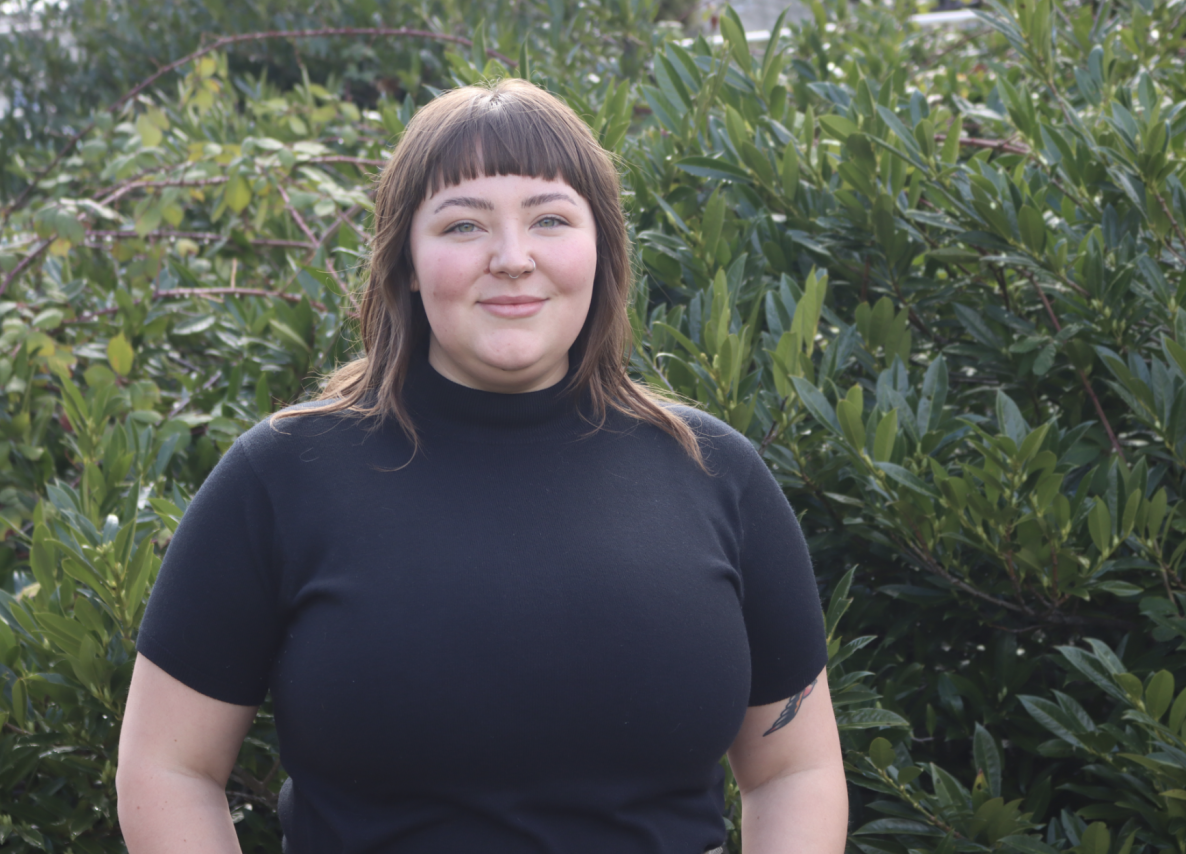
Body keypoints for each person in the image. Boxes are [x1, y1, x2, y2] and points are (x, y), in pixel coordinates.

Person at [116, 78, 847, 854]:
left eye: (551, 219)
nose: (512, 258)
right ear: (404, 262)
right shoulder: (282, 477)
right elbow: (167, 765)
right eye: (464, 225)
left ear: (602, 251)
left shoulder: (715, 475)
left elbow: (793, 770)